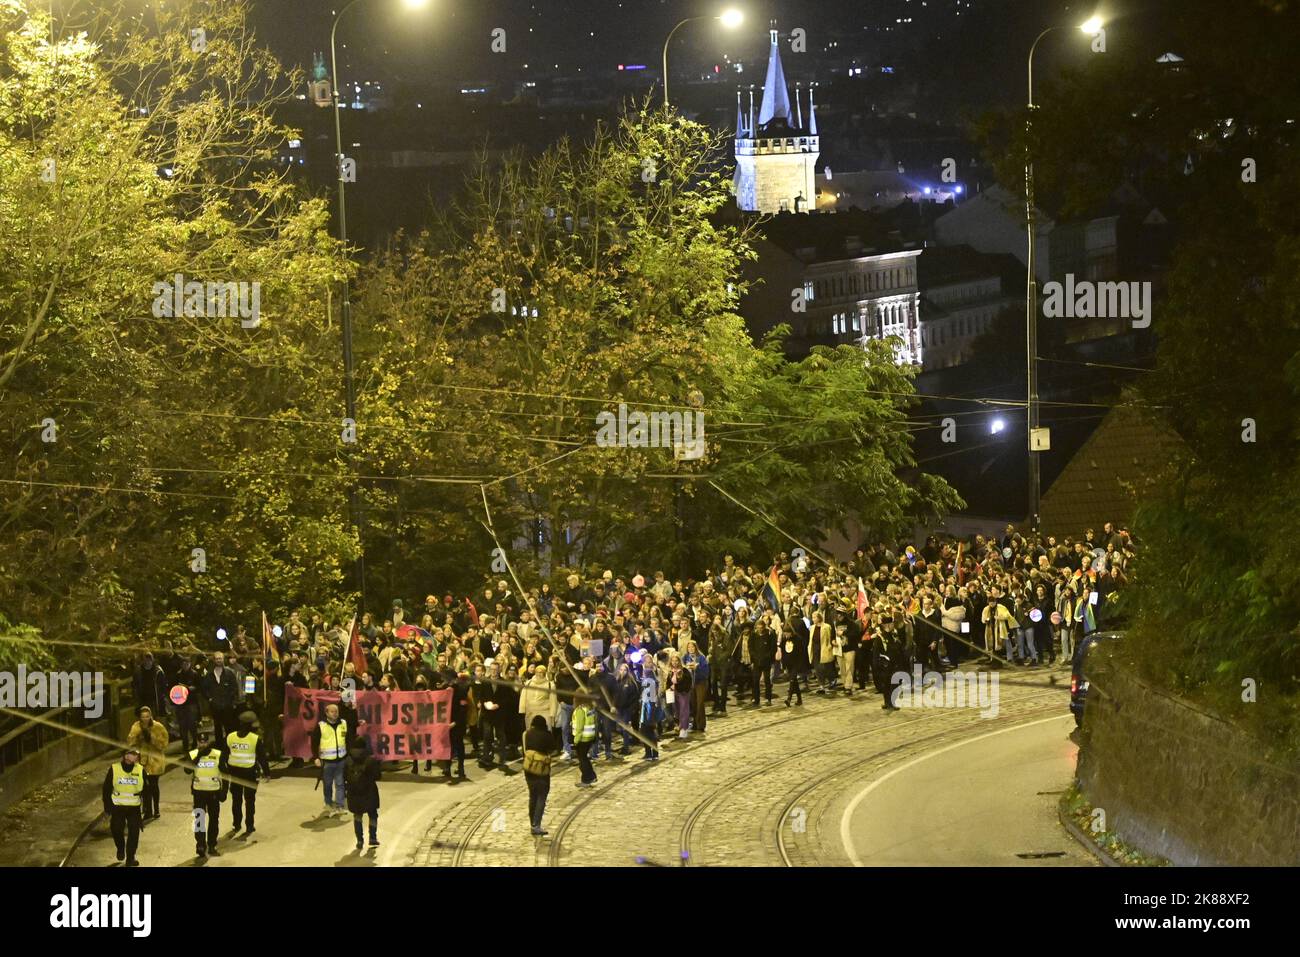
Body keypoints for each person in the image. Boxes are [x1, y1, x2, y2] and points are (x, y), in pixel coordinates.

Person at [223, 710, 269, 836]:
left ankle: (236, 824)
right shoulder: (255, 739)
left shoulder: (230, 736)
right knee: (250, 801)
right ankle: (249, 826)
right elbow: (262, 758)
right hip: (249, 774)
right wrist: (267, 773)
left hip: (234, 773)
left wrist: (226, 770)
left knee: (236, 800)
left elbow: (224, 755)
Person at [184, 729, 226, 859]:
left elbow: (224, 773)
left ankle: (212, 845)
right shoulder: (193, 754)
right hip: (199, 791)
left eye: (205, 741)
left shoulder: (218, 754)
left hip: (213, 791)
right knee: (199, 819)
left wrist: (224, 791)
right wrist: (198, 756)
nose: (203, 744)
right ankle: (200, 845)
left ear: (208, 742)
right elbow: (187, 770)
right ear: (197, 742)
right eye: (200, 742)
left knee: (214, 819)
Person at [102, 746, 145, 866]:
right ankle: (120, 847)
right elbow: (106, 788)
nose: (136, 756)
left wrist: (146, 806)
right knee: (116, 830)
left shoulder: (141, 769)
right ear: (125, 756)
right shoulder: (114, 769)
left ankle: (130, 858)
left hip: (134, 808)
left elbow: (146, 790)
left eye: (137, 754)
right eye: (133, 754)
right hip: (118, 807)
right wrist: (107, 807)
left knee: (134, 833)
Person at [126, 706, 169, 824]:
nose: (145, 719)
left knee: (154, 785)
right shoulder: (136, 727)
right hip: (142, 761)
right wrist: (139, 737)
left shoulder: (158, 727)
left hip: (155, 761)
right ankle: (148, 810)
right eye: (143, 717)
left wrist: (152, 738)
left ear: (150, 716)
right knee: (144, 786)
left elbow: (164, 744)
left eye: (147, 716)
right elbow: (130, 742)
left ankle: (156, 809)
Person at [344, 736, 382, 850]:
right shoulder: (370, 760)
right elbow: (377, 776)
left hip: (354, 793)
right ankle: (373, 837)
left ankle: (360, 840)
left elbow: (343, 777)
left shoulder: (347, 761)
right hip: (369, 792)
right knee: (373, 815)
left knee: (357, 816)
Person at [312, 702, 349, 815]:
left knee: (340, 783)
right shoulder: (321, 725)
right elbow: (314, 742)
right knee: (327, 784)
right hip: (327, 761)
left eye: (336, 711)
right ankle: (328, 803)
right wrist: (315, 757)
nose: (335, 713)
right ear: (326, 713)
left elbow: (347, 738)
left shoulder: (343, 723)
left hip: (341, 760)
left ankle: (340, 805)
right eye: (332, 711)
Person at [523, 715, 555, 835]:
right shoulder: (547, 735)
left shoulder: (528, 734)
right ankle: (536, 825)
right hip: (541, 769)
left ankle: (532, 822)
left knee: (533, 795)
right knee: (542, 795)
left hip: (529, 768)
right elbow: (553, 749)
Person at [200, 652, 239, 743]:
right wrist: (210, 698)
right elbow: (204, 689)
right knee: (217, 728)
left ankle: (229, 745)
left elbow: (234, 688)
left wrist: (230, 700)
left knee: (229, 727)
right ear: (214, 660)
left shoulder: (229, 673)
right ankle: (219, 746)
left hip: (227, 706)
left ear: (223, 659)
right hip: (215, 706)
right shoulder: (209, 675)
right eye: (217, 658)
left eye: (220, 658)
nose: (218, 660)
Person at [781, 617, 810, 706]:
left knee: (792, 679)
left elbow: (801, 652)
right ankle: (799, 699)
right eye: (785, 634)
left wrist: (801, 663)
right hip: (789, 663)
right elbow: (783, 651)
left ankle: (789, 698)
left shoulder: (798, 639)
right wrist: (784, 664)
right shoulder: (784, 640)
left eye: (787, 633)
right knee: (794, 681)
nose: (786, 635)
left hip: (796, 662)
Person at [571, 693, 598, 786]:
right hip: (590, 737)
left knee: (582, 759)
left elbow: (580, 727)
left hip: (582, 739)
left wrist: (575, 741)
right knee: (585, 758)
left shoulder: (580, 710)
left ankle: (587, 779)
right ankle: (592, 776)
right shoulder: (590, 709)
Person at [682, 640, 709, 732]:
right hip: (690, 684)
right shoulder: (685, 657)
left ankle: (701, 724)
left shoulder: (701, 657)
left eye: (692, 647)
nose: (691, 649)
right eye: (689, 647)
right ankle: (695, 723)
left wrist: (697, 668)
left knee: (700, 703)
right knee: (693, 703)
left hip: (700, 683)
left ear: (696, 647)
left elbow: (706, 672)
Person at [666, 654, 692, 739]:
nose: (674, 663)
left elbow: (687, 683)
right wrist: (669, 688)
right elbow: (668, 682)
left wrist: (676, 687)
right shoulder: (671, 672)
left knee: (684, 710)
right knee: (676, 711)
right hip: (674, 693)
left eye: (676, 661)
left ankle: (683, 729)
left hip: (683, 693)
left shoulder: (684, 671)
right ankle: (681, 725)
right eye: (673, 661)